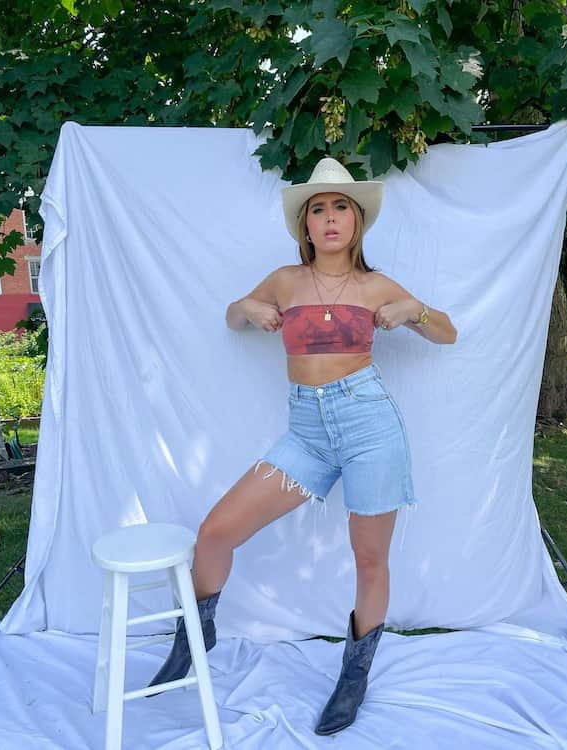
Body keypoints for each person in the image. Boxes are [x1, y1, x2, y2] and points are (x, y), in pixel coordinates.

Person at [147, 157, 458, 735]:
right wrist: (248, 308)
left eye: (341, 206)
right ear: (305, 226)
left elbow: (447, 332)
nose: (331, 217)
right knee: (215, 533)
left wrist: (414, 311)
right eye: (319, 208)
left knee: (369, 559)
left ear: (357, 222)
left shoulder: (376, 286)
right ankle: (196, 635)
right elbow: (231, 317)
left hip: (369, 428)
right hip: (307, 435)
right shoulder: (285, 282)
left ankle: (355, 674)